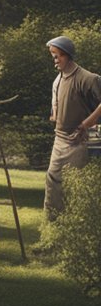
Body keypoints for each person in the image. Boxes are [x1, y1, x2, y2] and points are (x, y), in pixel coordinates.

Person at [43, 35, 101, 221]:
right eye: (53, 55)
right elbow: (57, 109)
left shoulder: (87, 78)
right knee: (52, 180)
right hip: (59, 139)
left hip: (80, 141)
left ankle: (76, 228)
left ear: (67, 55)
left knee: (75, 186)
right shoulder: (57, 80)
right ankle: (51, 228)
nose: (55, 59)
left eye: (57, 55)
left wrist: (85, 124)